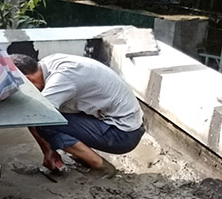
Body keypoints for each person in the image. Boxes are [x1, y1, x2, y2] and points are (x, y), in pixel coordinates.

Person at [11, 53, 145, 178]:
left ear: (27, 80)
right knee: (51, 113)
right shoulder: (50, 63)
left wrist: (47, 151)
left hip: (123, 135)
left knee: (45, 123)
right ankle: (84, 156)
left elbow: (34, 116)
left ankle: (101, 166)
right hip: (128, 122)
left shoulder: (61, 80)